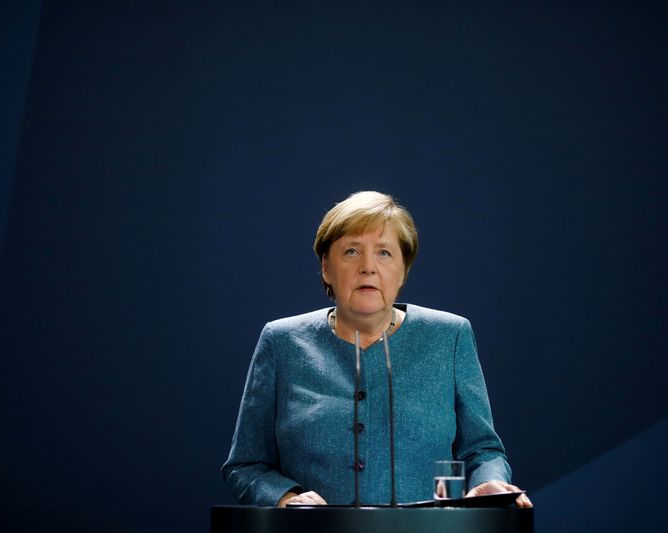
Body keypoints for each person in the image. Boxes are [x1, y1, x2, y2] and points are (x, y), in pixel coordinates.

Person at [221, 191, 532, 508]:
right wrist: (285, 498)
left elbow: (482, 451)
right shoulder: (281, 342)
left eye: (384, 253)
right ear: (326, 268)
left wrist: (488, 482)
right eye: (351, 251)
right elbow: (246, 466)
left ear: (403, 270)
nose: (368, 267)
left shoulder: (450, 336)